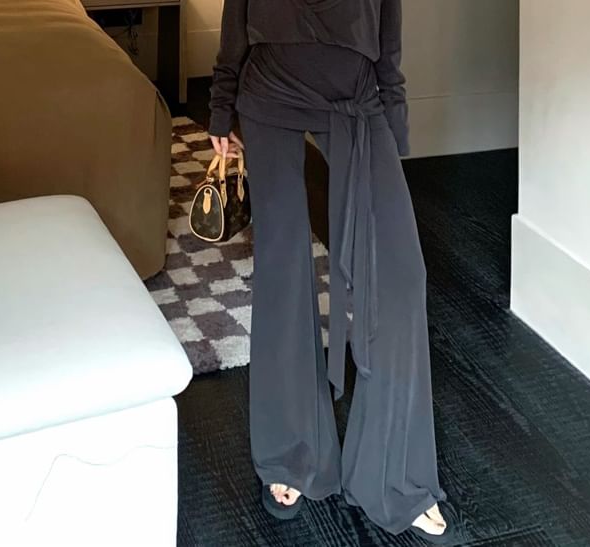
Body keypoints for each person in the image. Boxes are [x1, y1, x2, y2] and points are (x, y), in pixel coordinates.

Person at [208, 1, 456, 543]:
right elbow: (237, 11)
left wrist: (394, 117)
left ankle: (395, 474)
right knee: (283, 267)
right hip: (269, 90)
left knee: (401, 277)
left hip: (357, 96)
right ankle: (290, 453)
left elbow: (387, 22)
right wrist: (221, 103)